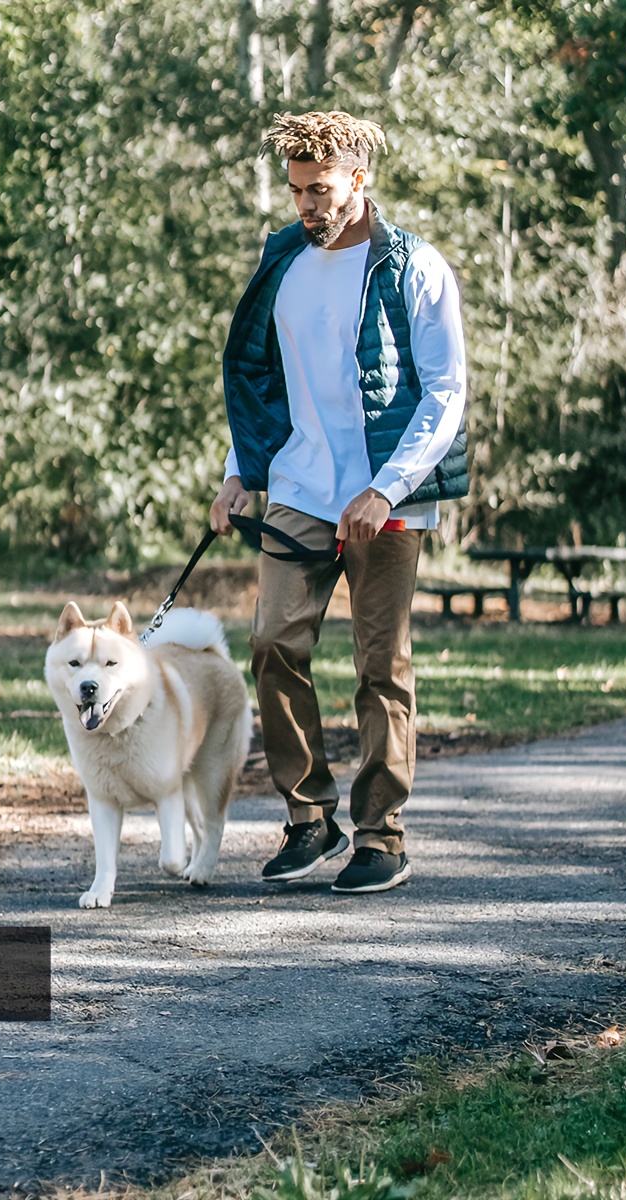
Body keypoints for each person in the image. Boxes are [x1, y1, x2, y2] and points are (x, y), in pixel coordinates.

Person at [209, 111, 468, 894]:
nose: (306, 207)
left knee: (378, 666)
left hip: (385, 497)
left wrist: (386, 488)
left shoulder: (414, 267)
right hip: (298, 484)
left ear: (360, 179)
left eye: (319, 190)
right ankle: (308, 817)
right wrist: (239, 467)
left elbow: (447, 392)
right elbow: (263, 379)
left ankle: (382, 835)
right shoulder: (284, 259)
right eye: (296, 191)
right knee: (272, 645)